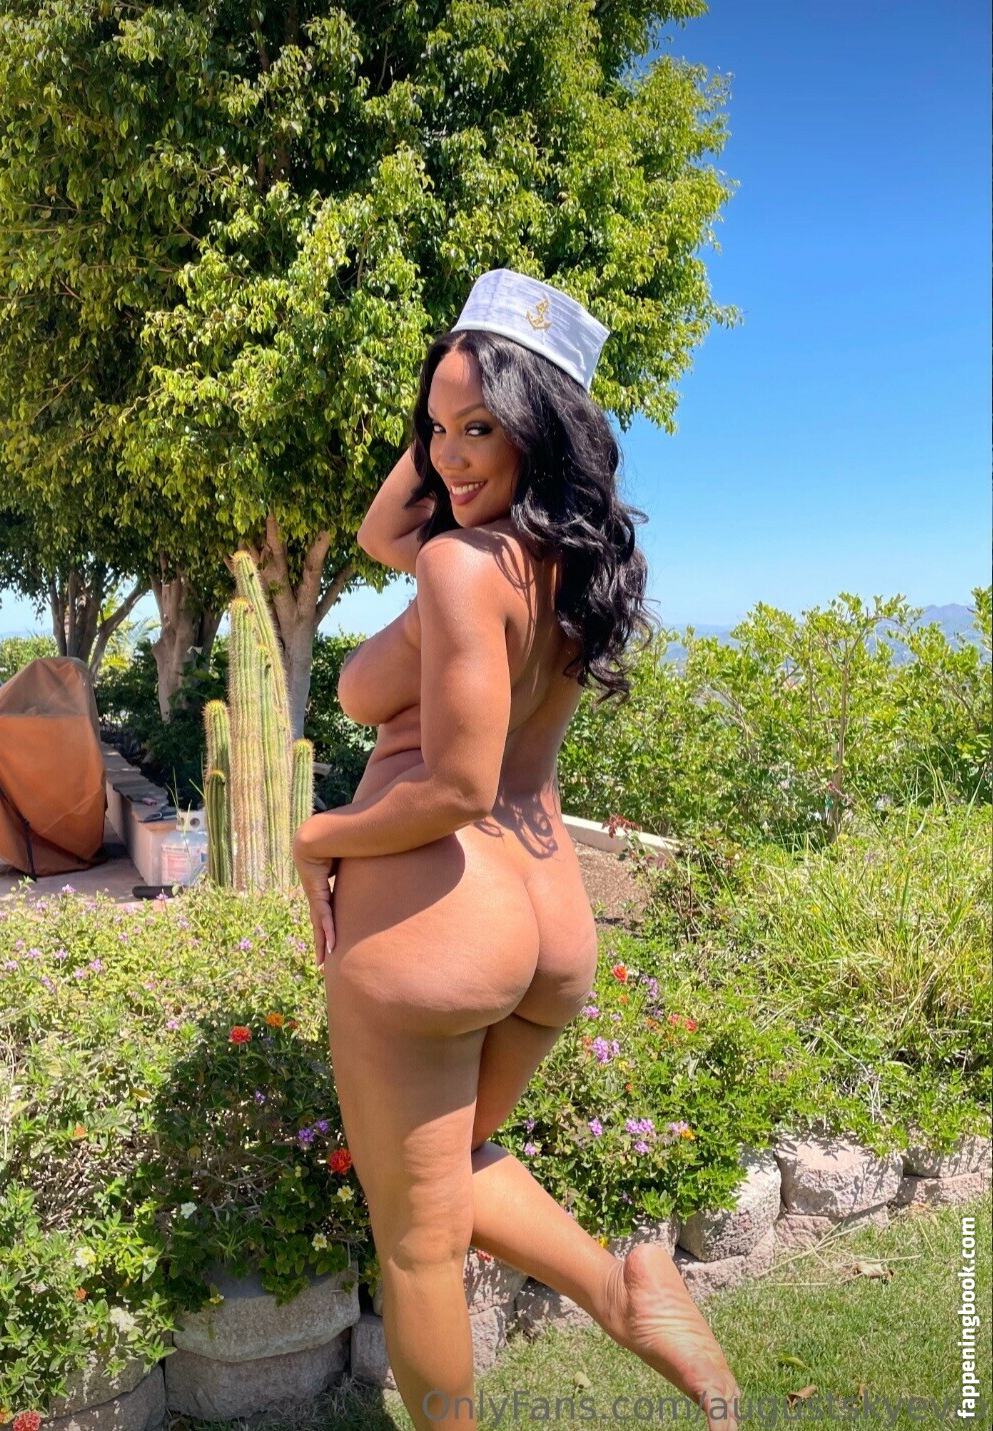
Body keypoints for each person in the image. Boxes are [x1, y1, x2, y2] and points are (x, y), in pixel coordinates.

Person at [291, 269, 740, 1430]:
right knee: (456, 1164)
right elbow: (382, 530)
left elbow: (453, 786)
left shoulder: (459, 568)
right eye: (434, 429)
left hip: (440, 912)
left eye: (480, 429)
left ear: (540, 430)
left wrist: (321, 833)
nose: (445, 458)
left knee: (420, 1244)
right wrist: (476, 367)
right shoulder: (572, 566)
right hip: (548, 915)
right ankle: (620, 1289)